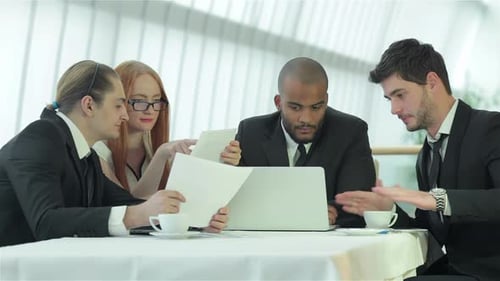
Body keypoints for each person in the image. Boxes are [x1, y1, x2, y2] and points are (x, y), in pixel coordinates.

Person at [0, 60, 227, 247]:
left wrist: (195, 221)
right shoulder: (41, 137)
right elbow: (46, 222)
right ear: (89, 105)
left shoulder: (84, 156)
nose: (125, 116)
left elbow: (130, 204)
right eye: (119, 105)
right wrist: (135, 215)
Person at [335, 38, 500, 280]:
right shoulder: (426, 155)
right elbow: (430, 234)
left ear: (432, 82)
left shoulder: (490, 127)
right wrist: (389, 209)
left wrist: (437, 199)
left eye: (400, 95)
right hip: (455, 272)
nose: (393, 109)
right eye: (389, 99)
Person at [235, 57, 376, 227]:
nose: (306, 119)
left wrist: (331, 215)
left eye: (316, 107)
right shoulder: (251, 133)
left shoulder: (351, 132)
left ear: (326, 101)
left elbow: (357, 206)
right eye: (295, 107)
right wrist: (309, 214)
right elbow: (237, 203)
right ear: (278, 103)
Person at [93, 60, 241, 199]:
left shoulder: (161, 151)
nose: (150, 110)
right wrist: (160, 156)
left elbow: (190, 200)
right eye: (139, 101)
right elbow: (131, 208)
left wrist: (224, 164)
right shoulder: (97, 153)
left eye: (156, 101)